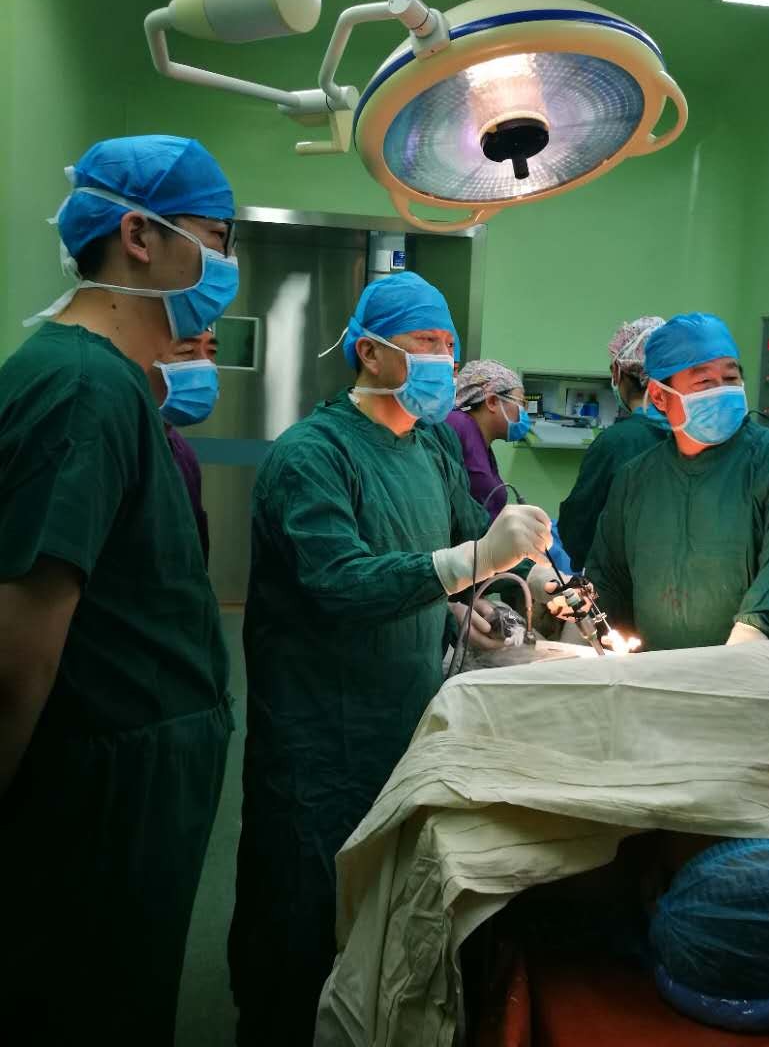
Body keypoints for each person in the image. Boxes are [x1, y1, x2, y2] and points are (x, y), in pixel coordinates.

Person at [230, 271, 556, 1047]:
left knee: (382, 919)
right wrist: (470, 562)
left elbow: (454, 537)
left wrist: (478, 599)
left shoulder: (432, 445)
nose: (444, 359)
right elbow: (341, 581)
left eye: (450, 344)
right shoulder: (311, 456)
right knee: (304, 916)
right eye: (425, 343)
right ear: (370, 353)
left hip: (405, 722)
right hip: (319, 738)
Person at [0, 136, 239, 1045]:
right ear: (139, 236)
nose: (226, 269)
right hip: (87, 818)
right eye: (216, 240)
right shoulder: (80, 390)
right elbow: (14, 665)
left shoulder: (117, 389)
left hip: (126, 803)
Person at [585, 312, 769, 650]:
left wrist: (753, 631)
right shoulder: (635, 479)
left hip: (758, 667)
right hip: (654, 671)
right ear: (660, 397)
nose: (722, 391)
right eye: (704, 382)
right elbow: (608, 577)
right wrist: (589, 622)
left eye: (731, 377)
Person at [558, 316, 667, 569]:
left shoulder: (617, 442)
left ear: (618, 372)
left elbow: (578, 527)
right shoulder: (692, 437)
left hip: (620, 581)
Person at [150, 328, 220, 565]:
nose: (204, 365)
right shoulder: (119, 447)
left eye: (211, 352)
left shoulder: (183, 455)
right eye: (187, 352)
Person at [445, 359, 531, 516]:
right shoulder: (457, 427)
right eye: (521, 403)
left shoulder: (478, 437)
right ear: (492, 402)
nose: (524, 411)